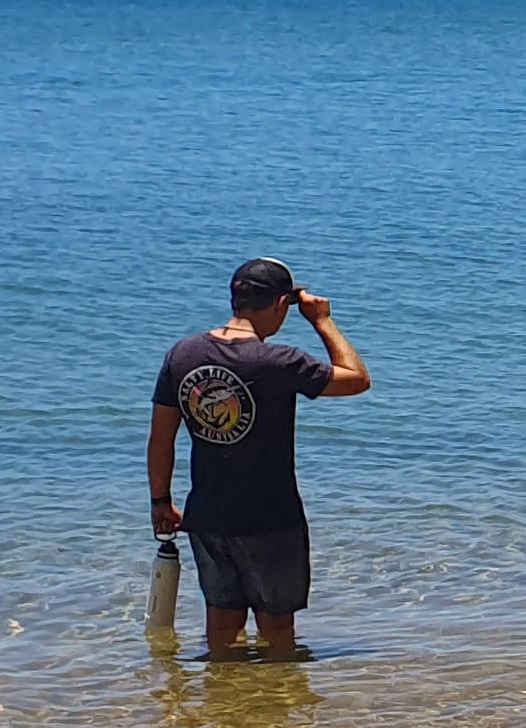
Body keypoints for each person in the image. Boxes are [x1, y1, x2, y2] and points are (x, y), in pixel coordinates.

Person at [148, 257, 372, 660]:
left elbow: (161, 438)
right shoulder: (279, 362)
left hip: (207, 515)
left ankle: (225, 710)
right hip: (270, 519)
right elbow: (357, 379)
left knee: (221, 621)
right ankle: (276, 711)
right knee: (276, 627)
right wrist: (322, 321)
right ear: (280, 303)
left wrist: (160, 502)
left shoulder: (182, 354)